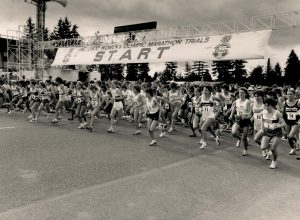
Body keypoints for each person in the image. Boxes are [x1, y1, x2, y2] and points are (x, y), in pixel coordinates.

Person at [260, 98, 285, 169]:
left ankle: (274, 162)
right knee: (263, 147)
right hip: (267, 132)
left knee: (273, 149)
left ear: (272, 106)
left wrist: (278, 125)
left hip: (277, 132)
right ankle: (270, 148)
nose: (266, 107)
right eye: (265, 106)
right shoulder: (263, 112)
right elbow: (262, 121)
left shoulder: (277, 113)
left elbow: (283, 123)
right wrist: (262, 128)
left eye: (268, 106)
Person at [230, 87, 252, 156]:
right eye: (239, 93)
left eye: (242, 93)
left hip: (246, 120)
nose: (241, 94)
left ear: (245, 94)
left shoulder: (247, 101)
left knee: (244, 137)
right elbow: (234, 108)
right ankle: (239, 139)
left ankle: (245, 149)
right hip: (238, 120)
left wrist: (245, 117)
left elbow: (250, 113)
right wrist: (231, 115)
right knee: (233, 133)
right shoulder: (236, 101)